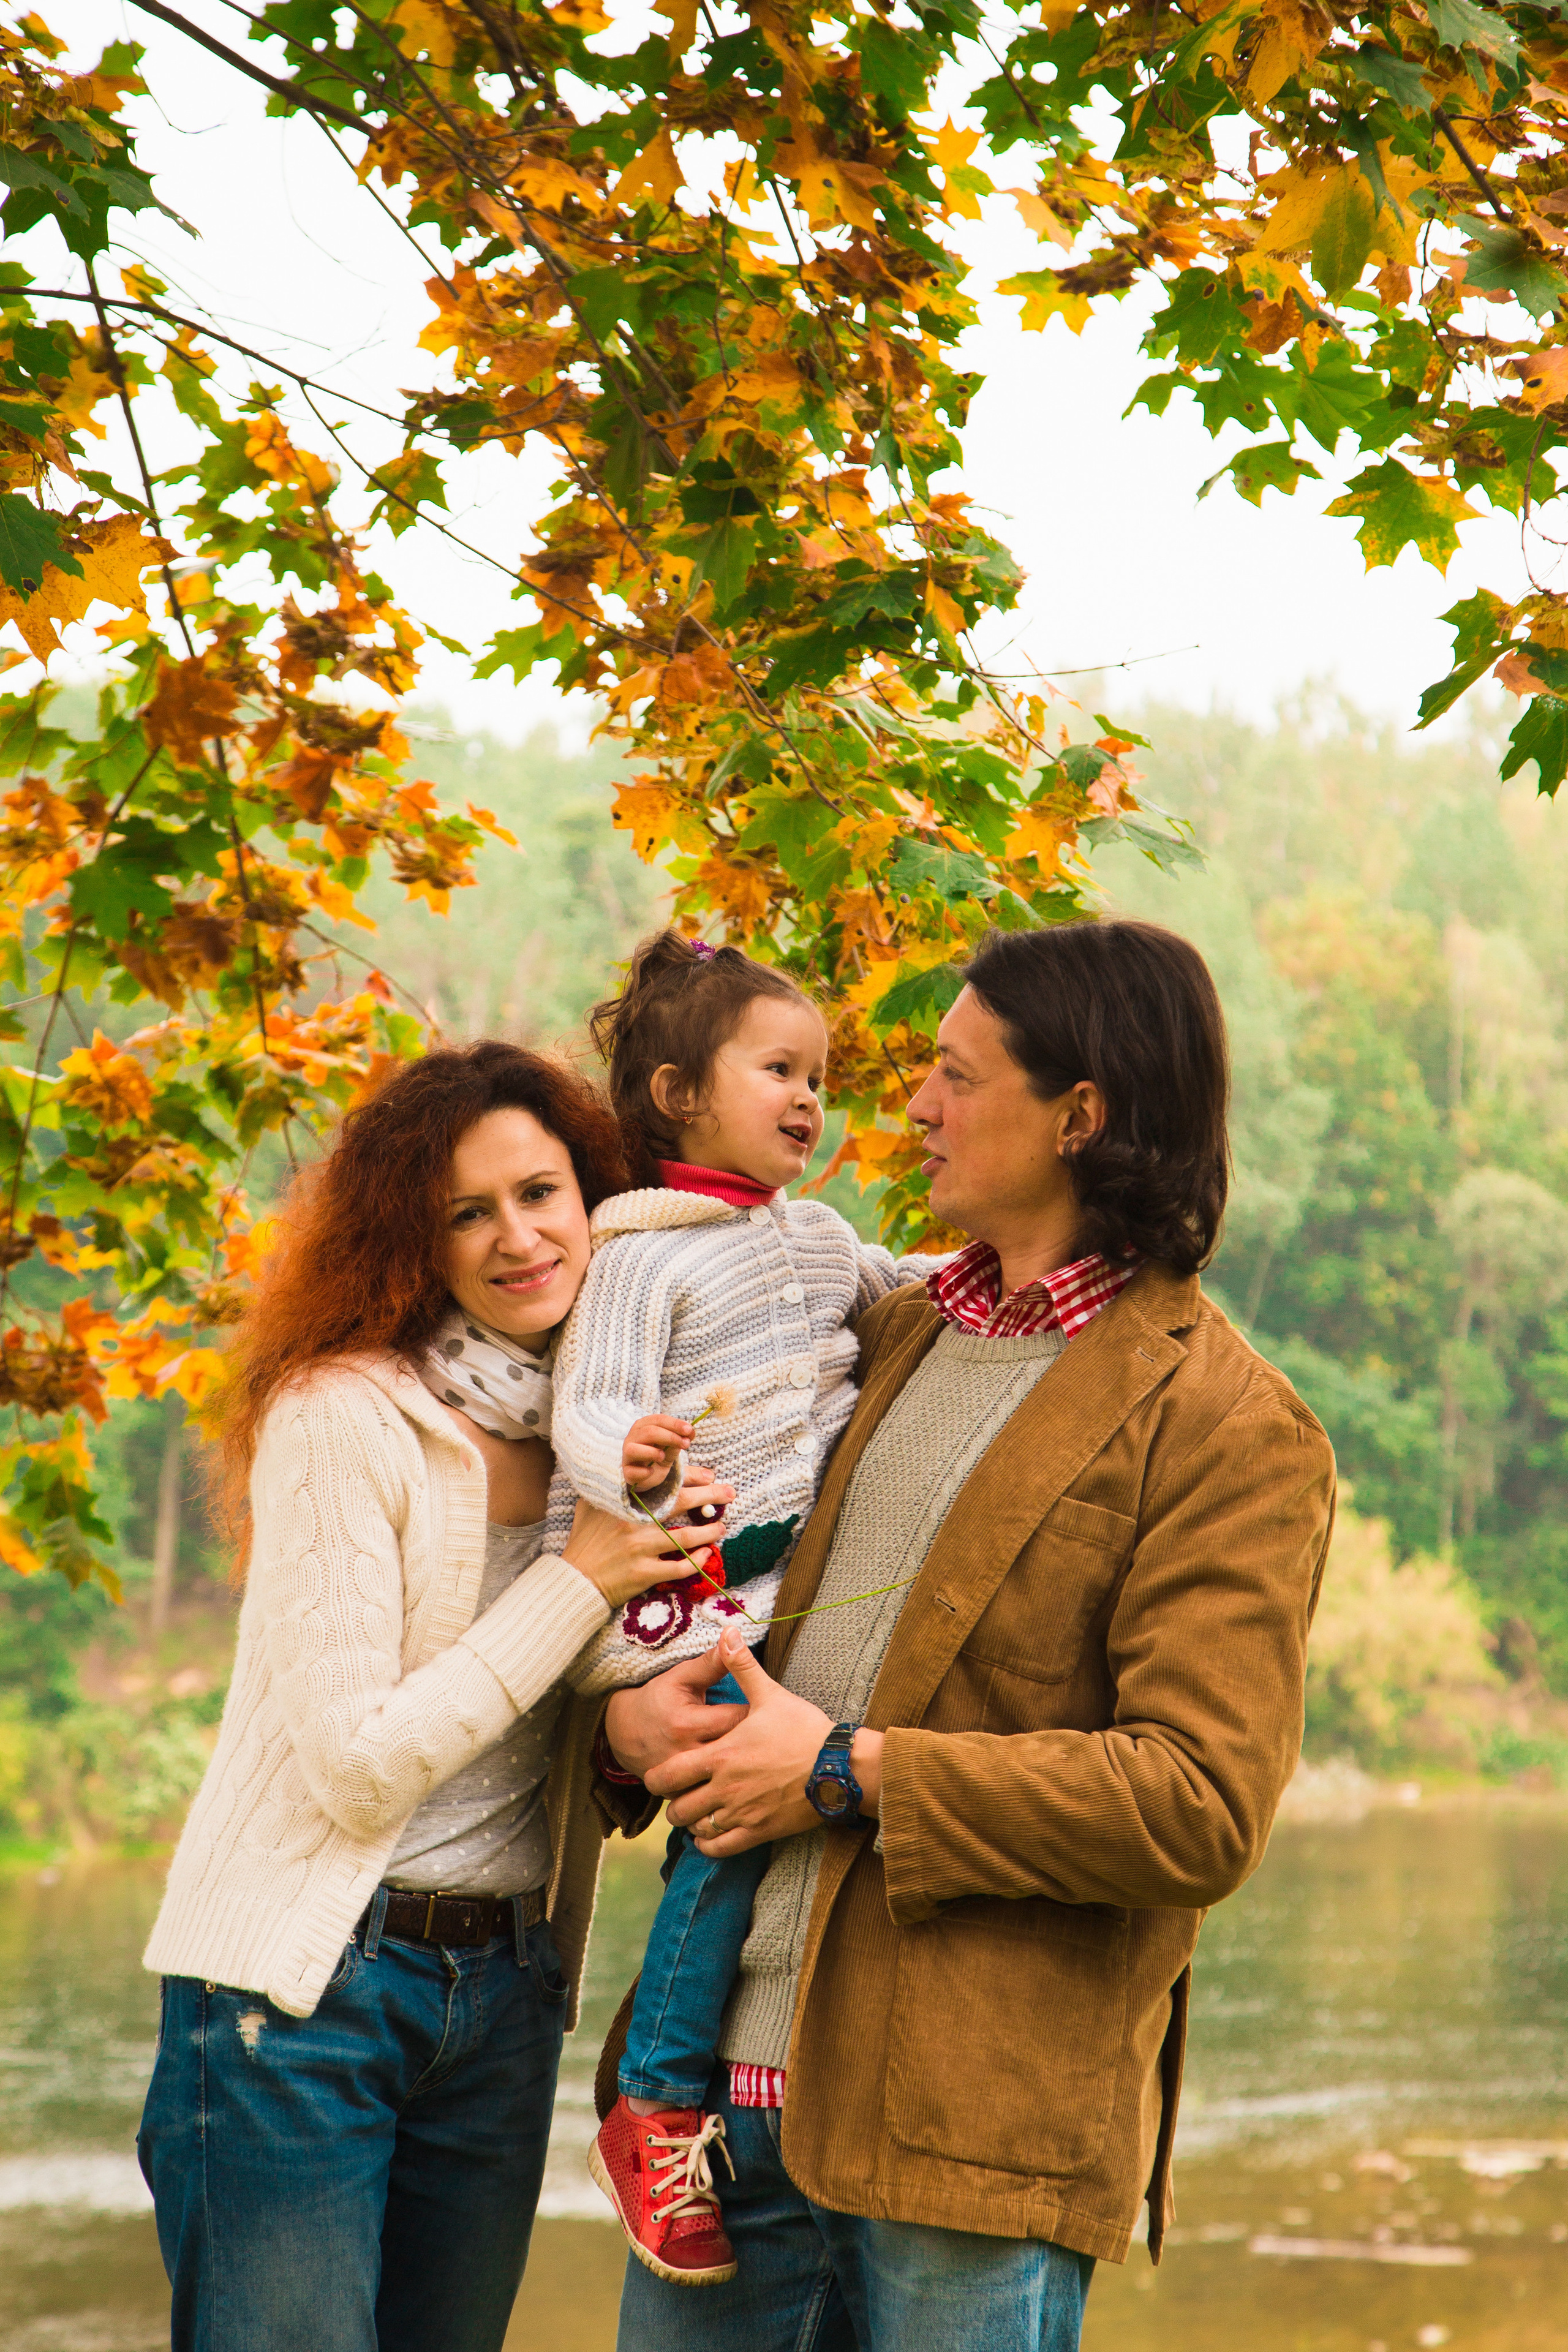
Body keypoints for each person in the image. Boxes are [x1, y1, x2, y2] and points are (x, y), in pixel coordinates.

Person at [595, 918, 1338, 2352]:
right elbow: (709, 1583)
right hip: (710, 2145)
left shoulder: (1232, 1430)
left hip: (966, 2160)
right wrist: (623, 1730)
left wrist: (845, 1771)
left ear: (1080, 1113)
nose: (915, 1106)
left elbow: (1196, 1804)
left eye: (954, 1073)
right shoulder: (885, 1332)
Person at [136, 1042, 733, 2352]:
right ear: (413, 1238)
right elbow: (358, 1763)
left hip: (505, 1990)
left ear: (594, 1201)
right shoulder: (342, 1416)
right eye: (468, 1212)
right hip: (302, 2004)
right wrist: (578, 1582)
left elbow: (568, 1699)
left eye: (540, 1193)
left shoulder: (609, 1437)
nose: (518, 1237)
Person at [543, 929, 936, 2285]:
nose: (808, 1097)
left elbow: (909, 1297)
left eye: (818, 1074)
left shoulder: (817, 1237)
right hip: (689, 1588)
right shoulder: (637, 1259)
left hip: (786, 1594)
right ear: (675, 1094)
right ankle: (652, 2098)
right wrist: (630, 1457)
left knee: (752, 1823)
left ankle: (690, 2087)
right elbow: (586, 1407)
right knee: (719, 1836)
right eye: (777, 1068)